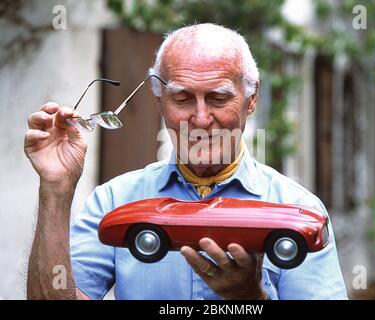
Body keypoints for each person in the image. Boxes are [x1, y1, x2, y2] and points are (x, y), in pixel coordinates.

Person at [24, 23, 347, 300]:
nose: (202, 118)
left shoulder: (298, 209)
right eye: (182, 98)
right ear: (159, 102)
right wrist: (56, 190)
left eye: (219, 98)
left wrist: (251, 297)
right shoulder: (114, 202)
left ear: (252, 100)